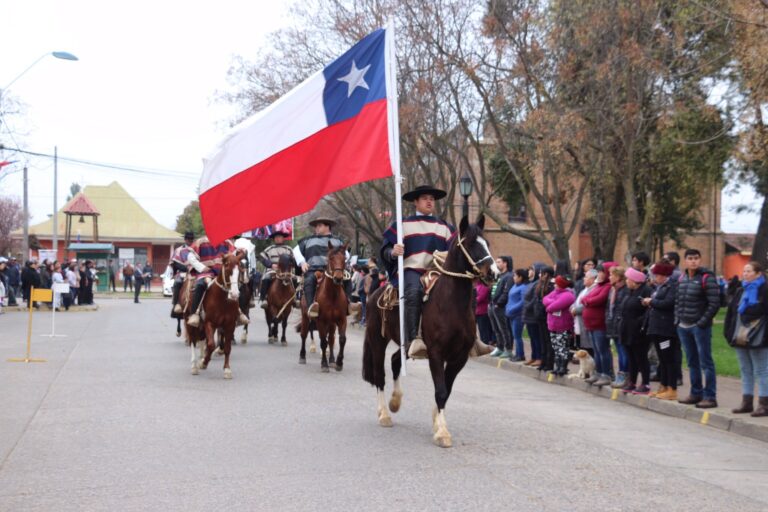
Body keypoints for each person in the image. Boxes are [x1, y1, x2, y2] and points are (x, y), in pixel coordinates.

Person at [381, 184, 490, 359]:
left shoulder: (445, 227)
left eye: (432, 199)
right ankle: (414, 340)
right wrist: (393, 252)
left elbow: (458, 252)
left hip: (439, 271)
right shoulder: (402, 225)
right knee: (413, 292)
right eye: (425, 198)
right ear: (415, 202)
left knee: (469, 292)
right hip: (413, 269)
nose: (429, 201)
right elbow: (384, 251)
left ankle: (473, 338)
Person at [676, 248, 720, 408]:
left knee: (705, 362)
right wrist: (677, 319)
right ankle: (695, 393)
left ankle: (710, 396)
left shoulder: (707, 278)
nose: (693, 261)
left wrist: (702, 322)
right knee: (691, 361)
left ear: (700, 260)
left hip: (699, 327)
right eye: (690, 258)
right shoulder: (682, 278)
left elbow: (714, 303)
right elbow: (678, 300)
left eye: (696, 258)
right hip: (683, 325)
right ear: (685, 261)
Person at [724, 261, 768, 417]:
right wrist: (728, 332)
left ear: (758, 274)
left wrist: (748, 310)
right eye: (744, 271)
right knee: (745, 369)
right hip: (740, 334)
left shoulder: (764, 289)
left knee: (761, 369)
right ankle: (746, 402)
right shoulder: (741, 290)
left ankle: (764, 404)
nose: (745, 274)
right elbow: (732, 312)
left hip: (760, 335)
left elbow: (760, 310)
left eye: (749, 271)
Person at [294, 217, 356, 319]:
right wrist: (302, 263)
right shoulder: (308, 240)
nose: (316, 228)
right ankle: (311, 307)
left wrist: (340, 263)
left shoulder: (338, 241)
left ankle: (349, 303)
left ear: (328, 226)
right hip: (314, 270)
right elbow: (296, 250)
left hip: (334, 271)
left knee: (348, 279)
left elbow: (346, 254)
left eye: (319, 226)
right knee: (309, 281)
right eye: (316, 226)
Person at [187, 236, 250, 328]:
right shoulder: (200, 242)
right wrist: (202, 268)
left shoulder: (227, 242)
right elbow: (190, 257)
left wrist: (241, 251)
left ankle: (239, 313)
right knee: (200, 285)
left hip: (223, 274)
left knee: (238, 286)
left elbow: (233, 255)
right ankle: (194, 314)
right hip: (207, 273)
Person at [643, 259, 679, 400]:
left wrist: (652, 302)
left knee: (668, 359)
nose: (655, 278)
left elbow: (668, 303)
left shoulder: (672, 287)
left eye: (657, 275)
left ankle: (672, 388)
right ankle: (663, 386)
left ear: (664, 275)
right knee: (662, 360)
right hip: (656, 328)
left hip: (666, 329)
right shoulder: (659, 288)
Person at [581, 261, 617, 386]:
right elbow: (584, 298)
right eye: (599, 272)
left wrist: (587, 301)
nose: (599, 274)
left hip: (600, 324)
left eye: (602, 272)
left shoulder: (607, 286)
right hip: (591, 324)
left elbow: (598, 300)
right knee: (596, 350)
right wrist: (587, 301)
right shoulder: (598, 286)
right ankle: (598, 372)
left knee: (603, 350)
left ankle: (606, 374)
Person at [620, 267, 652, 394]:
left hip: (639, 331)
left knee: (641, 357)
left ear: (635, 281)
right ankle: (632, 382)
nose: (626, 281)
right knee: (631, 358)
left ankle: (646, 383)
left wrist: (639, 322)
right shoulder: (630, 291)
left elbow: (648, 311)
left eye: (628, 279)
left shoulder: (646, 291)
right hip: (627, 329)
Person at [543, 275, 575, 375]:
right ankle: (558, 365)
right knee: (556, 347)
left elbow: (550, 308)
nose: (554, 285)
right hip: (553, 325)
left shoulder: (568, 295)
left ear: (561, 285)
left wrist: (551, 304)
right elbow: (544, 299)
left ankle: (563, 367)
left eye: (556, 283)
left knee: (562, 347)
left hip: (563, 326)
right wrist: (552, 302)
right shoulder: (555, 292)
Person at [258, 229, 295, 308]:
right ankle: (263, 298)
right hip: (273, 270)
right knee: (266, 278)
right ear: (274, 239)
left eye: (280, 237)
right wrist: (271, 264)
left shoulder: (288, 249)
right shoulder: (270, 249)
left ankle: (295, 299)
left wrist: (291, 264)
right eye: (276, 237)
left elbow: (294, 260)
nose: (278, 238)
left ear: (283, 238)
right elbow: (261, 257)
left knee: (295, 279)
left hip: (286, 271)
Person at [606, 266, 629, 389]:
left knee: (623, 352)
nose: (609, 277)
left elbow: (621, 310)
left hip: (621, 325)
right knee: (620, 352)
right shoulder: (613, 290)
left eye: (611, 275)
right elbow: (609, 309)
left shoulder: (624, 290)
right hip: (613, 325)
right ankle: (621, 375)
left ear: (619, 277)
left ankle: (624, 375)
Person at [489, 256, 514, 359]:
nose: (496, 264)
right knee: (496, 328)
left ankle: (508, 349)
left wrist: (499, 303)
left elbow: (506, 292)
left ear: (505, 263)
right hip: (492, 305)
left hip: (500, 306)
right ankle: (499, 347)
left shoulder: (509, 276)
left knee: (503, 328)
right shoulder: (499, 275)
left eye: (499, 262)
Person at [522, 263, 545, 366]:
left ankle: (539, 357)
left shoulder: (537, 283)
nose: (529, 272)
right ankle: (533, 356)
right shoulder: (530, 283)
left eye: (531, 270)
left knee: (536, 338)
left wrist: (527, 305)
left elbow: (534, 298)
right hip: (528, 314)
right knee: (532, 337)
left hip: (533, 314)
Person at [533, 265, 555, 371]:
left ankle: (549, 362)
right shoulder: (540, 285)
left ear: (546, 274)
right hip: (540, 316)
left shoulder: (551, 287)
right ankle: (543, 361)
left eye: (542, 273)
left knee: (548, 340)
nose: (540, 275)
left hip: (546, 316)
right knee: (542, 340)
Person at [571, 268, 597, 356]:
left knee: (589, 348)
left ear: (593, 279)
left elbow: (586, 304)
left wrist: (575, 310)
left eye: (586, 277)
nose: (584, 279)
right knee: (582, 347)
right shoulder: (584, 290)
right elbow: (576, 302)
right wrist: (572, 308)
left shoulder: (594, 290)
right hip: (579, 321)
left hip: (587, 322)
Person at [505, 269, 529, 361]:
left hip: (518, 315)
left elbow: (523, 302)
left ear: (520, 277)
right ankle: (517, 354)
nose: (513, 277)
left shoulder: (523, 287)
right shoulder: (514, 286)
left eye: (515, 276)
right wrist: (508, 307)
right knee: (515, 336)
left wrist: (511, 309)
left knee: (517, 336)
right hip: (511, 314)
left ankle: (520, 355)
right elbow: (510, 299)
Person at [171, 231, 196, 316]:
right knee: (177, 282)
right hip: (183, 272)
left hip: (196, 272)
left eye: (191, 239)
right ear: (185, 239)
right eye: (188, 239)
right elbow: (175, 263)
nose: (190, 241)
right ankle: (176, 304)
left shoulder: (196, 249)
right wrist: (186, 268)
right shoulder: (179, 250)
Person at [475, 280, 493, 347]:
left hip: (483, 311)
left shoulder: (484, 288)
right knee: (480, 329)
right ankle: (483, 343)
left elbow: (480, 298)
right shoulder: (477, 286)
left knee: (484, 329)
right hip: (477, 311)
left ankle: (485, 344)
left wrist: (472, 300)